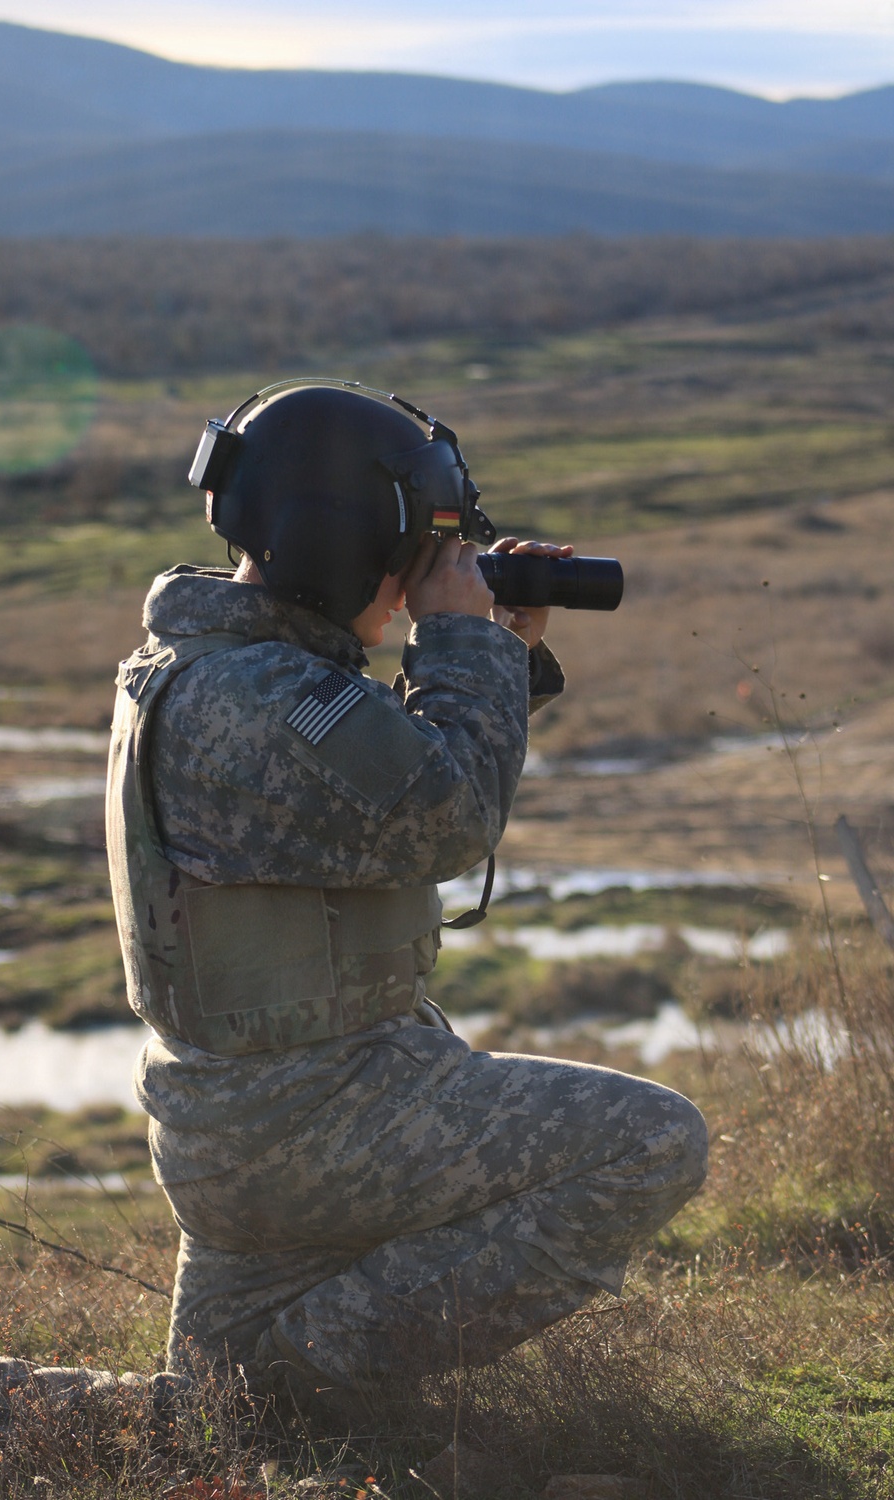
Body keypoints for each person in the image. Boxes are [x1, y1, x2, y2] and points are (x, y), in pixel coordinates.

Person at [103, 378, 708, 1420]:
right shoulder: (257, 695)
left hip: (232, 1135)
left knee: (198, 1422)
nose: (414, 579)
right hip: (317, 1125)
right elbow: (446, 817)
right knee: (650, 1142)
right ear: (343, 545)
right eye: (412, 550)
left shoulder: (204, 667)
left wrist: (498, 647)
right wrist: (460, 641)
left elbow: (367, 769)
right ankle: (313, 1375)